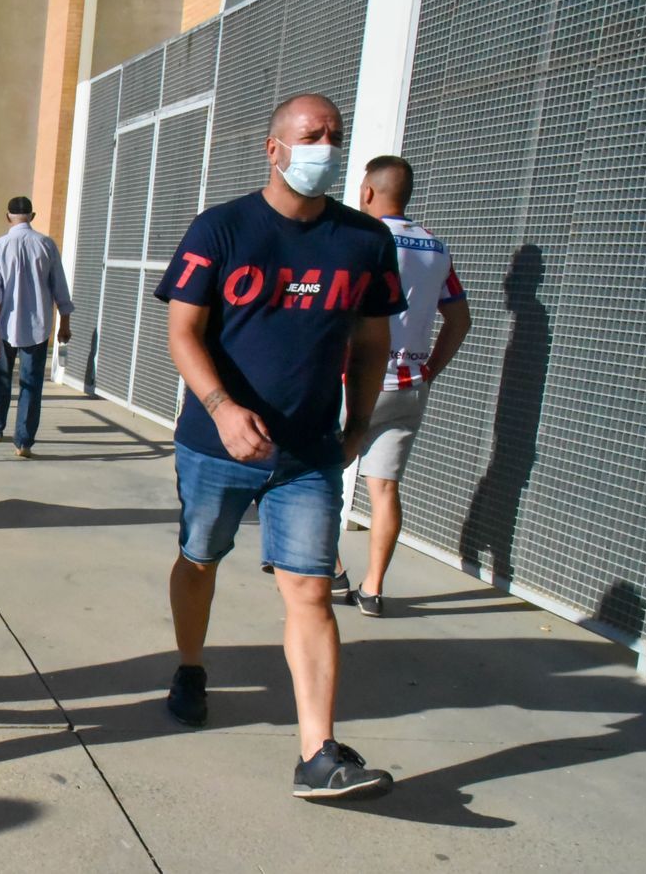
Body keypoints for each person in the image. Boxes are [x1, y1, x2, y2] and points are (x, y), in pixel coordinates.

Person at [153, 94, 406, 799]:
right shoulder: (221, 229)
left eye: (334, 135)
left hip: (308, 452)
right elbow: (183, 332)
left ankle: (318, 753)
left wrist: (360, 424)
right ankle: (191, 666)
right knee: (200, 559)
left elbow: (370, 340)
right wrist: (222, 407)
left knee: (311, 591)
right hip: (215, 443)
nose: (324, 145)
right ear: (274, 148)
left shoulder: (364, 241)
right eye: (310, 135)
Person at [332, 155, 471, 617]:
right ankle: (373, 590)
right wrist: (429, 367)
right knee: (385, 489)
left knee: (322, 474)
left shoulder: (362, 239)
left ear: (368, 192)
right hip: (409, 383)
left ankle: (330, 572)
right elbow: (460, 318)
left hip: (357, 379)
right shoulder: (437, 247)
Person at [0, 196, 74, 459]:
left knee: (1, 380)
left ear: (8, 217)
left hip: (6, 326)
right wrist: (64, 323)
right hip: (37, 325)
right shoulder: (46, 244)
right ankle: (24, 441)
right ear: (32, 216)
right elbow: (60, 287)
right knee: (32, 384)